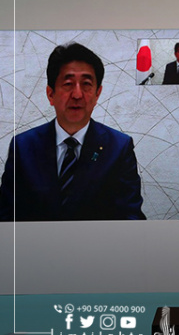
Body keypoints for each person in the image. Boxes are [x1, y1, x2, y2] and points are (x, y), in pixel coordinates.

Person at [0, 43, 146, 221]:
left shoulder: (118, 147)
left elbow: (131, 218)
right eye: (68, 84)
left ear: (97, 94)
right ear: (50, 94)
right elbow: (7, 218)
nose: (77, 94)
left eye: (86, 84)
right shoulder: (23, 147)